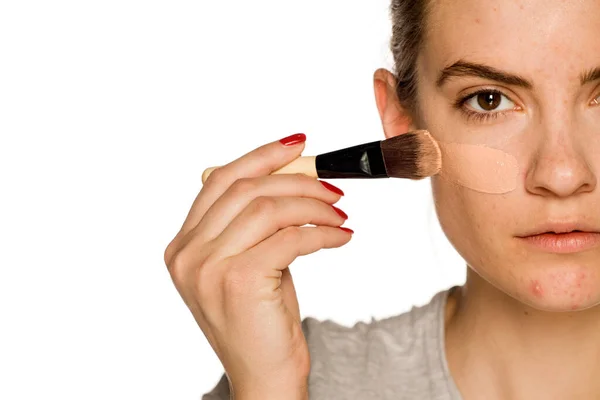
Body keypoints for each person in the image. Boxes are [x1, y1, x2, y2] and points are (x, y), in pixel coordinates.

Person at [164, 0, 600, 398]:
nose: (562, 175)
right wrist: (268, 387)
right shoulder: (291, 376)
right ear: (402, 119)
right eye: (489, 100)